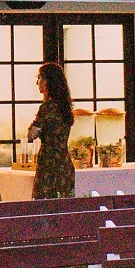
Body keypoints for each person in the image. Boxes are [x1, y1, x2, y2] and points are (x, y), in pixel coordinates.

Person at [27, 60, 77, 200]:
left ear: (48, 81)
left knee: (45, 205)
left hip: (49, 163)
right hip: (64, 162)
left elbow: (32, 134)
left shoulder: (47, 107)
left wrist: (32, 127)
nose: (38, 82)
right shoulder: (65, 107)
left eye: (40, 78)